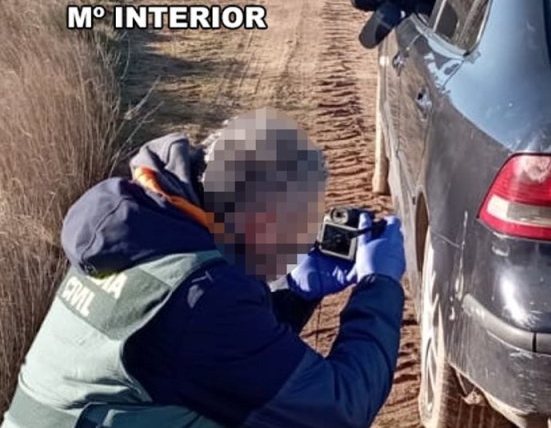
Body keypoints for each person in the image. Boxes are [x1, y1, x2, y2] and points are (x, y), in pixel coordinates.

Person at [3, 108, 406, 428]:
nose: (299, 244)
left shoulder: (141, 234)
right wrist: (379, 283)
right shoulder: (204, 298)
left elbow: (198, 356)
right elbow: (340, 408)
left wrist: (291, 294)